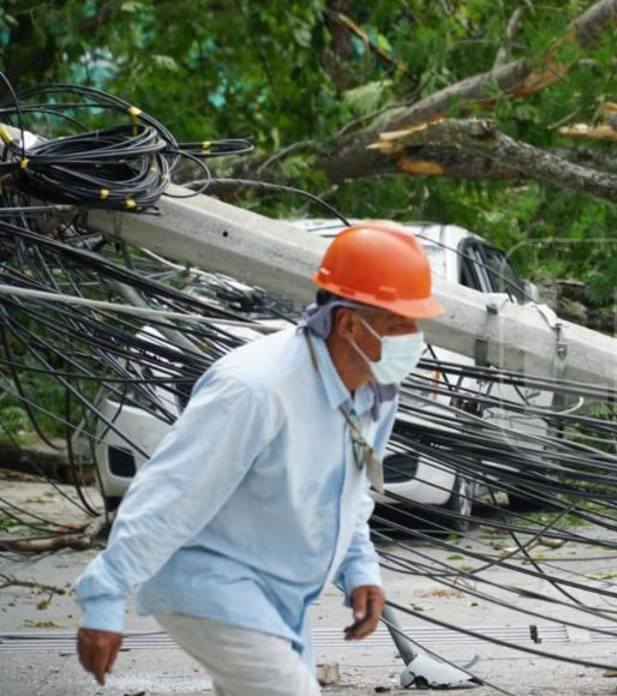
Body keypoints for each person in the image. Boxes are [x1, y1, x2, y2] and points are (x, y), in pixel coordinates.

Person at [74, 222, 444, 695]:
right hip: (209, 582)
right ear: (350, 322)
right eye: (399, 324)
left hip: (281, 596)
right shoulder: (256, 388)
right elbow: (170, 494)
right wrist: (105, 599)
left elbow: (349, 492)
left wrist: (360, 570)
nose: (413, 338)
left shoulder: (375, 393)